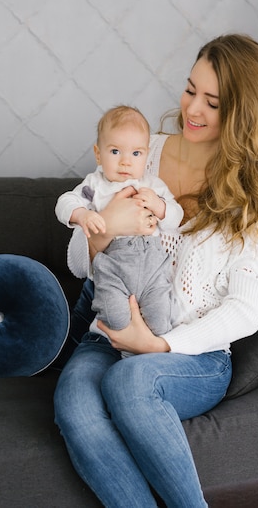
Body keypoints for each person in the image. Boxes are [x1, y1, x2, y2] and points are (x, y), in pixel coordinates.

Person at [54, 34, 258, 508]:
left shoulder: (257, 195)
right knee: (74, 406)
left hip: (194, 356)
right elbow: (80, 264)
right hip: (108, 333)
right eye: (190, 90)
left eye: (212, 102)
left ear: (242, 115)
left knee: (131, 382)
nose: (192, 108)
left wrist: (158, 345)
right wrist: (104, 232)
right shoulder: (145, 153)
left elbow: (246, 310)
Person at [55, 105, 183, 348]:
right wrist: (82, 214)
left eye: (136, 153)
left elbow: (176, 217)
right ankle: (125, 352)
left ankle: (146, 354)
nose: (125, 161)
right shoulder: (94, 185)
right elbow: (64, 202)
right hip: (112, 268)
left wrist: (160, 206)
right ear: (98, 154)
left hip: (153, 268)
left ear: (147, 155)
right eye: (115, 151)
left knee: (159, 321)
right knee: (115, 318)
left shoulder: (153, 185)